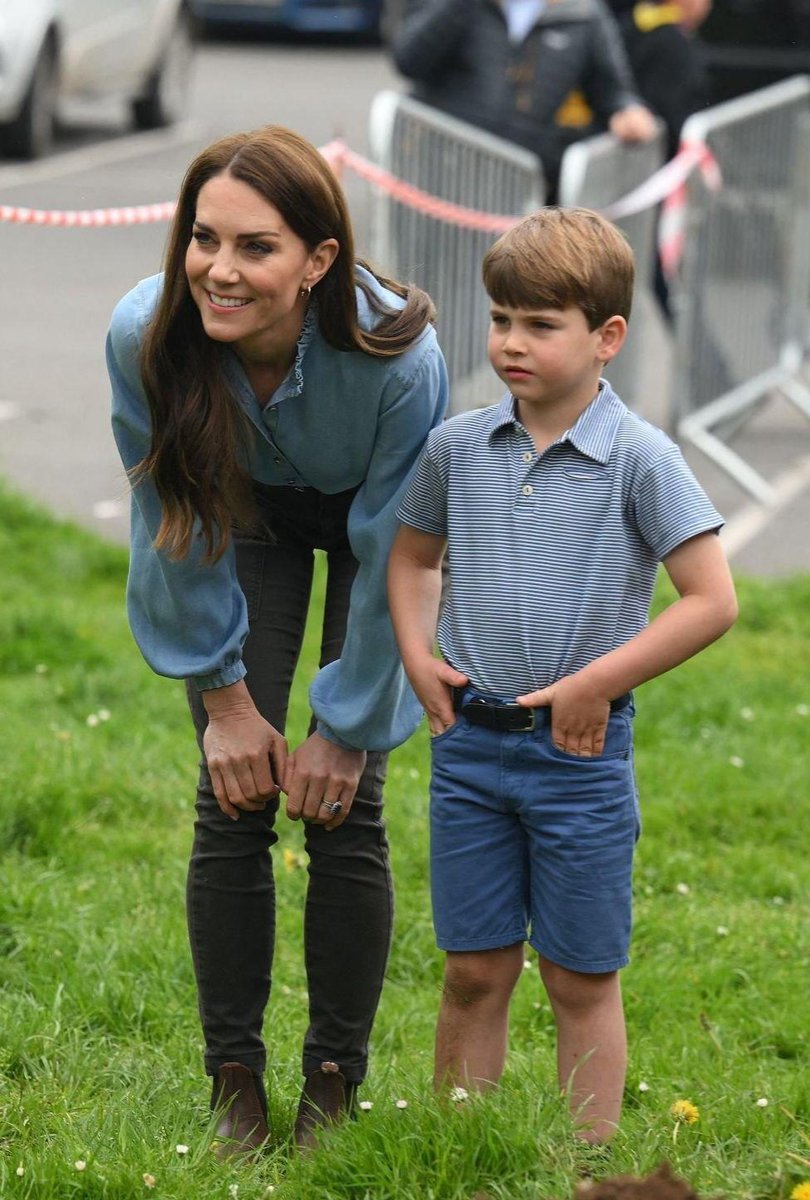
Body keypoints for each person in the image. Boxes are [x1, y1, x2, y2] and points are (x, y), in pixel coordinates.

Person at [106, 125, 448, 1155]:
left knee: (348, 803)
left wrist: (346, 727)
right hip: (239, 513)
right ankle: (235, 1088)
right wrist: (224, 701)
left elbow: (403, 552)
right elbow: (171, 519)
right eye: (203, 239)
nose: (218, 268)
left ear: (319, 260)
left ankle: (334, 1090)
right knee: (234, 788)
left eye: (255, 247)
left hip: (370, 528)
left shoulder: (398, 357)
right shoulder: (145, 334)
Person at [387, 207, 737, 1142]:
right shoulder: (457, 448)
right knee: (472, 968)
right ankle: (465, 1148)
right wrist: (419, 656)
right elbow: (414, 558)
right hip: (470, 751)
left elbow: (711, 599)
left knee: (579, 976)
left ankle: (589, 1166)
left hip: (580, 759)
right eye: (502, 318)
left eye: (541, 325)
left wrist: (595, 683)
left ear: (607, 336)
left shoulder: (641, 459)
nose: (511, 342)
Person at [390, 0, 658, 200]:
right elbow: (408, 59)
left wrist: (627, 110)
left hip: (520, 189)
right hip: (435, 179)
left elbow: (613, 90)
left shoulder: (584, 12)